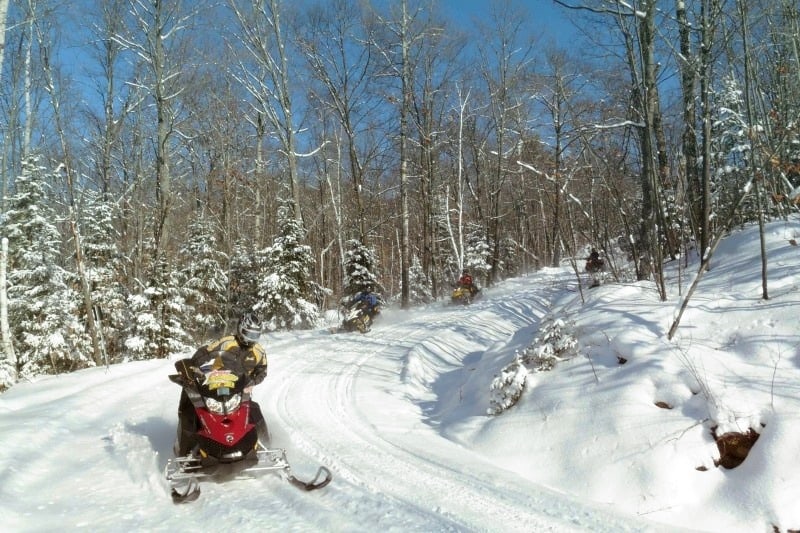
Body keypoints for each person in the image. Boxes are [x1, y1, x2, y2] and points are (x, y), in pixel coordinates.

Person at [174, 312, 269, 457]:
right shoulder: (227, 342)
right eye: (249, 334)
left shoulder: (259, 351)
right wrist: (192, 367)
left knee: (255, 410)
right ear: (241, 329)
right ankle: (185, 452)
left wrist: (252, 382)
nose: (251, 339)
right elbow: (205, 352)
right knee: (193, 411)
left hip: (240, 390)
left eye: (255, 336)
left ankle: (265, 448)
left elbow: (262, 371)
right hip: (216, 385)